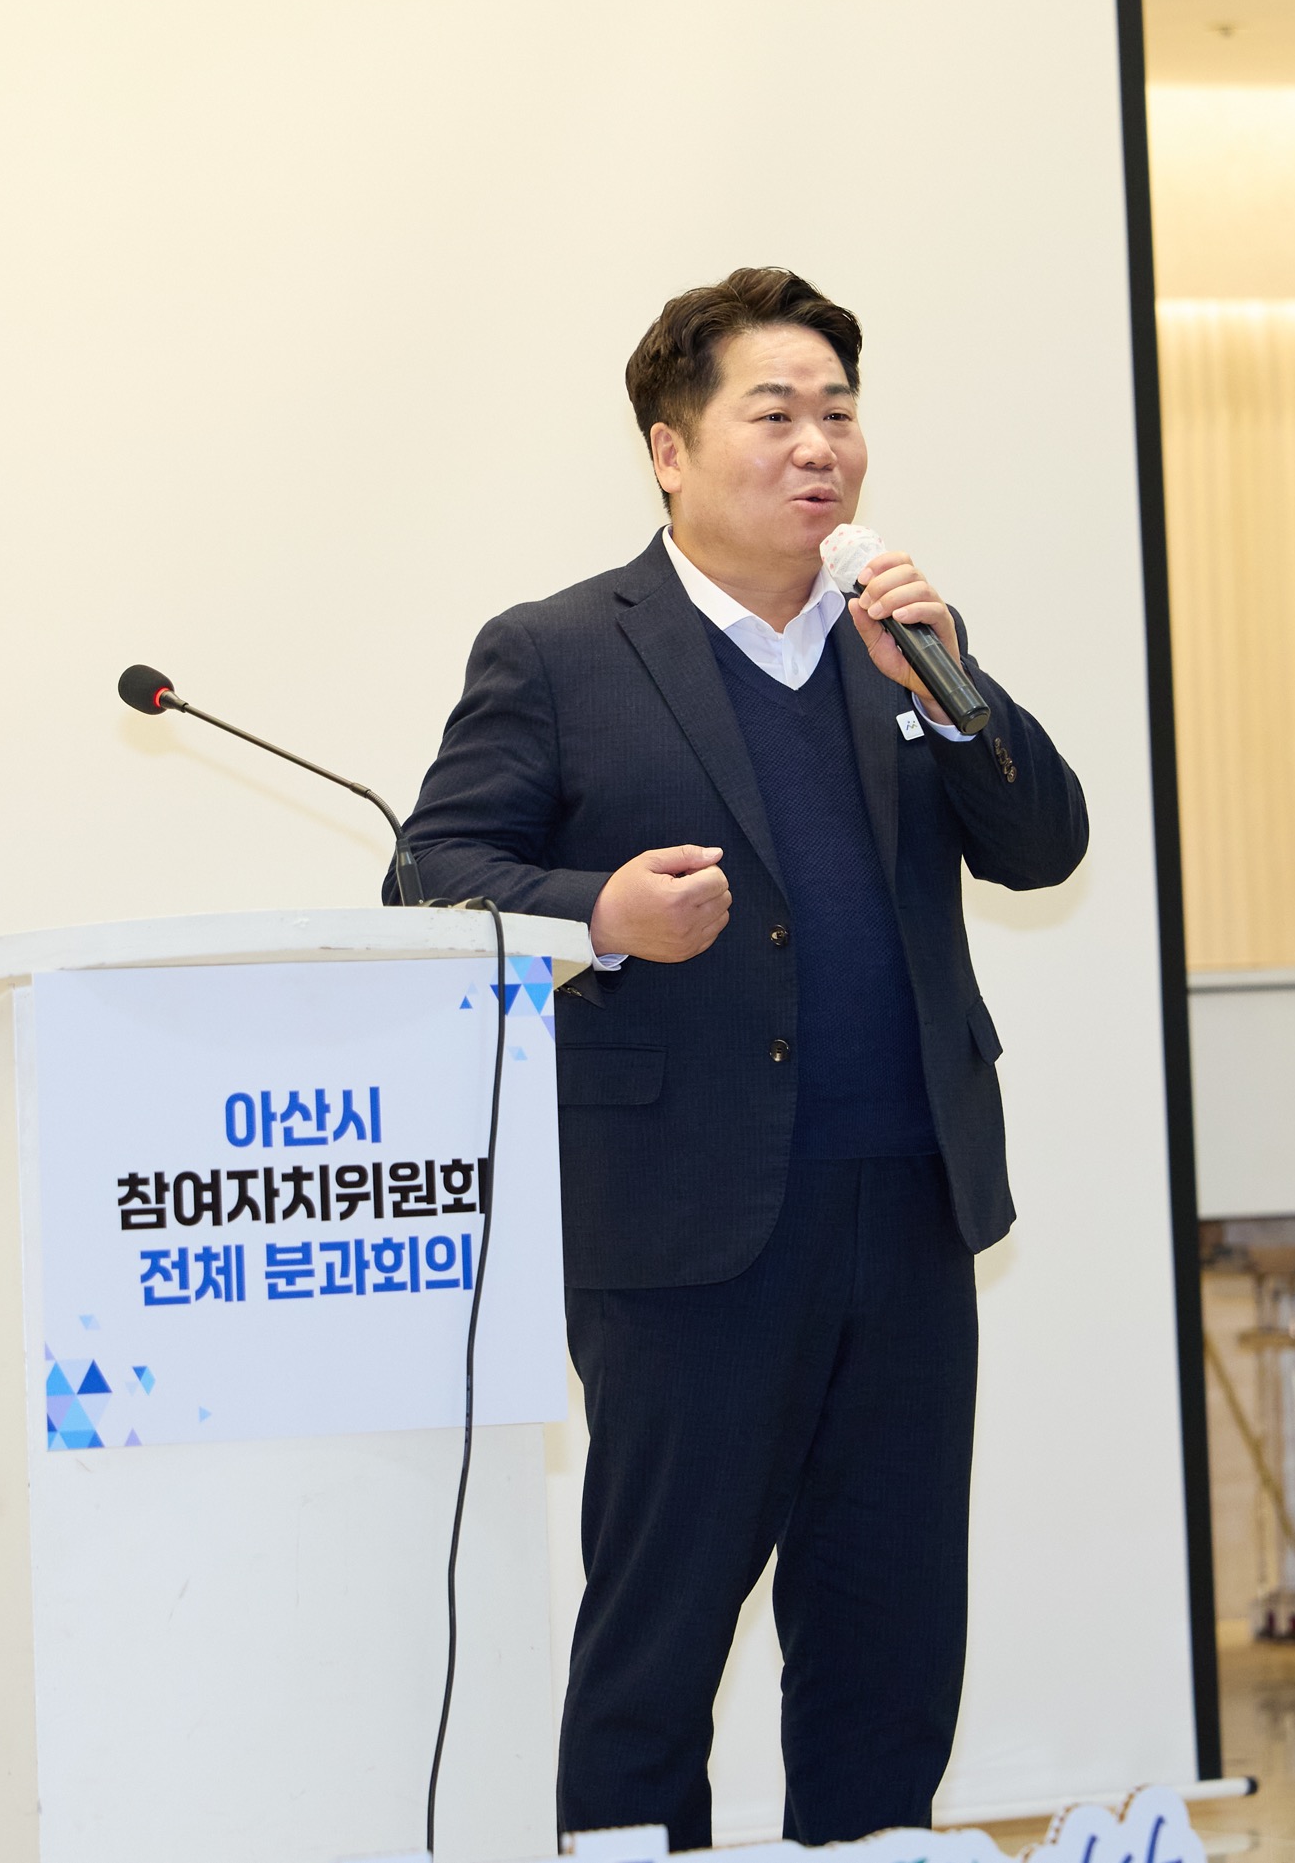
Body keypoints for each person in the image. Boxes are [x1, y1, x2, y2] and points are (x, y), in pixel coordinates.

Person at [397, 267, 1091, 1847]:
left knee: (887, 1634)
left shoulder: (897, 641)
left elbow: (1043, 845)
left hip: (906, 1202)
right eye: (773, 414)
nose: (817, 447)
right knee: (659, 1641)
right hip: (684, 1225)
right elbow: (430, 873)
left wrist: (951, 690)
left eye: (838, 413)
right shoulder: (559, 650)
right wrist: (602, 915)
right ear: (668, 448)